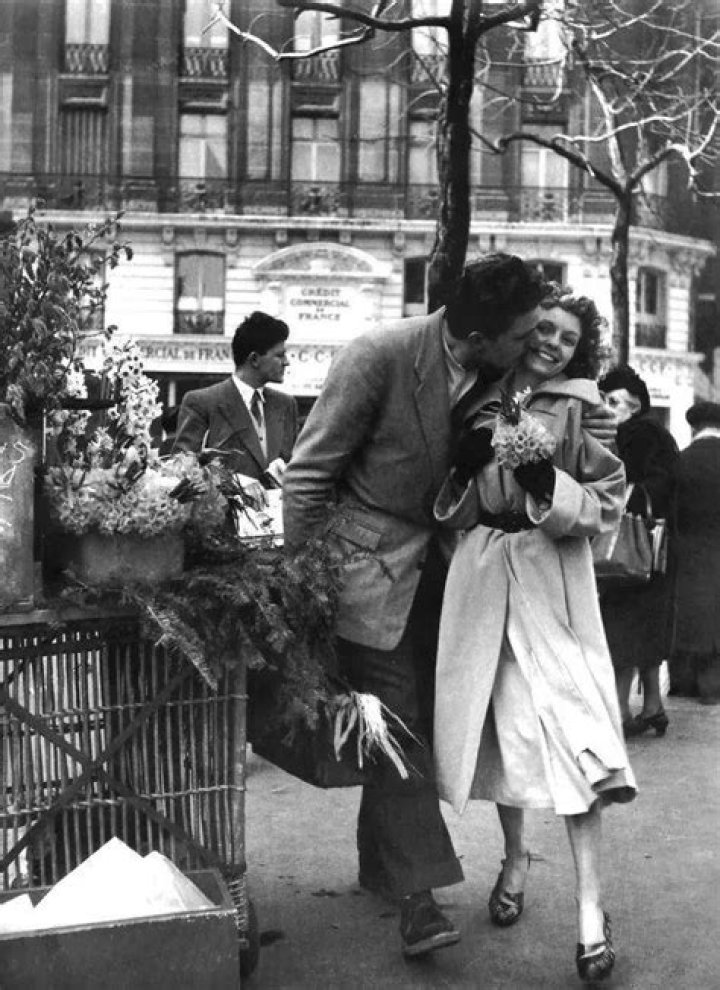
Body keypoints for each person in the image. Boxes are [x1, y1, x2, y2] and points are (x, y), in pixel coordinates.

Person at [282, 255, 618, 960]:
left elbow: (575, 480)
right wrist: (307, 587)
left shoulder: (510, 383)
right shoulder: (378, 356)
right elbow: (308, 477)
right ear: (481, 336)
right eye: (525, 331)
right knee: (398, 725)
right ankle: (420, 902)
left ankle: (382, 861)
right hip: (367, 572)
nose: (535, 342)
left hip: (455, 578)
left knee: (419, 726)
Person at [433, 285, 636, 984]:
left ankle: (589, 909)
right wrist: (462, 470)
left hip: (551, 584)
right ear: (523, 329)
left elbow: (607, 503)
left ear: (583, 352)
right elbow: (453, 514)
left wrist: (549, 483)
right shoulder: (477, 399)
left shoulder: (586, 408)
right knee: (506, 736)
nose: (552, 345)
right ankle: (516, 856)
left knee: (579, 742)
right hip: (486, 578)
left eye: (568, 340)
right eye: (544, 330)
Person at [597, 366, 679, 736]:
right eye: (609, 400)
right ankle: (652, 706)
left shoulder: (635, 434)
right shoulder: (657, 433)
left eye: (620, 402)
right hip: (654, 549)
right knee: (646, 628)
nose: (613, 409)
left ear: (636, 406)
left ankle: (619, 713)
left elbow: (632, 483)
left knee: (622, 630)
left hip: (627, 551)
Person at [173, 311, 298, 488]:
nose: (286, 362)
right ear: (254, 359)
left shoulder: (286, 405)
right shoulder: (202, 403)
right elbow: (182, 473)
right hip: (222, 514)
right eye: (279, 355)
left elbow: (296, 467)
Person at [669, 400, 720, 704]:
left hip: (688, 550)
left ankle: (683, 682)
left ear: (693, 427)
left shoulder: (680, 460)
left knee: (689, 612)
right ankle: (714, 684)